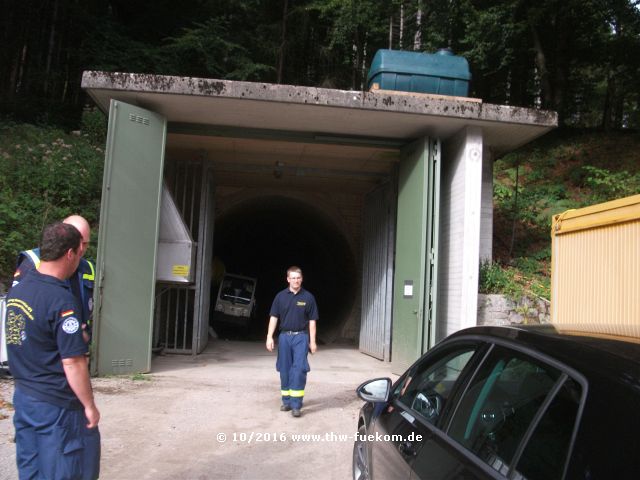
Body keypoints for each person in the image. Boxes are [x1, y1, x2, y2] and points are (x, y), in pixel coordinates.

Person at [5, 222, 101, 479]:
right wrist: (89, 405)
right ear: (69, 253)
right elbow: (72, 362)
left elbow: (26, 336)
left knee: (32, 469)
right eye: (79, 252)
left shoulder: (18, 291)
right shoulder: (60, 299)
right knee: (64, 469)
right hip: (57, 405)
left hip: (25, 397)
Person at [11, 215, 95, 343]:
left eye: (85, 243)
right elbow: (16, 308)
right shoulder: (33, 262)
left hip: (77, 345)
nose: (81, 249)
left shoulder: (89, 268)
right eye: (78, 243)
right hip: (43, 347)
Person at [265, 266, 319, 418]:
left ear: (301, 279)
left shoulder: (308, 298)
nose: (296, 280)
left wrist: (312, 342)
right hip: (284, 337)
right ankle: (286, 401)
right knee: (284, 369)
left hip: (301, 337)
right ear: (288, 279)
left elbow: (312, 321)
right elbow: (274, 317)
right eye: (293, 278)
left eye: (298, 278)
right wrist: (269, 336)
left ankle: (296, 404)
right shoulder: (280, 297)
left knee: (299, 369)